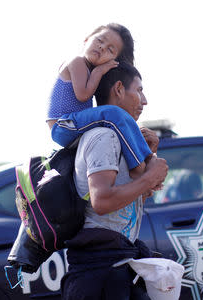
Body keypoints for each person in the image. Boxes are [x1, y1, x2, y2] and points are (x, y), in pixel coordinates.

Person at [60, 62, 169, 300]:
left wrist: (147, 161)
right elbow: (102, 201)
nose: (145, 100)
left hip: (115, 263)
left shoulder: (121, 137)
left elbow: (129, 200)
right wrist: (150, 176)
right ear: (119, 89)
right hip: (99, 272)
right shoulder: (104, 136)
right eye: (139, 90)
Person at [46, 23, 152, 178]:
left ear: (114, 61)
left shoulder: (90, 70)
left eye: (110, 49)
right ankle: (139, 165)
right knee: (112, 113)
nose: (102, 48)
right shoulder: (77, 62)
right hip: (63, 125)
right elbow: (83, 95)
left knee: (114, 118)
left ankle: (143, 157)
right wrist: (99, 70)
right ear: (87, 39)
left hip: (72, 126)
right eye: (100, 40)